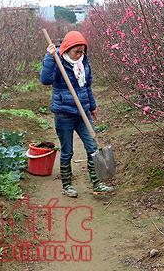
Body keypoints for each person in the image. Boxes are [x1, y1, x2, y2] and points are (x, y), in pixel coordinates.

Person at [40, 30, 114, 197]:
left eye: (82, 51)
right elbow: (45, 80)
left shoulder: (84, 64)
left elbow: (87, 87)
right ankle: (67, 185)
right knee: (67, 151)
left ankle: (97, 183)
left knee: (92, 146)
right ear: (67, 49)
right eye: (76, 51)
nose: (79, 54)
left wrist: (92, 106)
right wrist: (50, 57)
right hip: (64, 114)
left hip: (83, 114)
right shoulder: (58, 61)